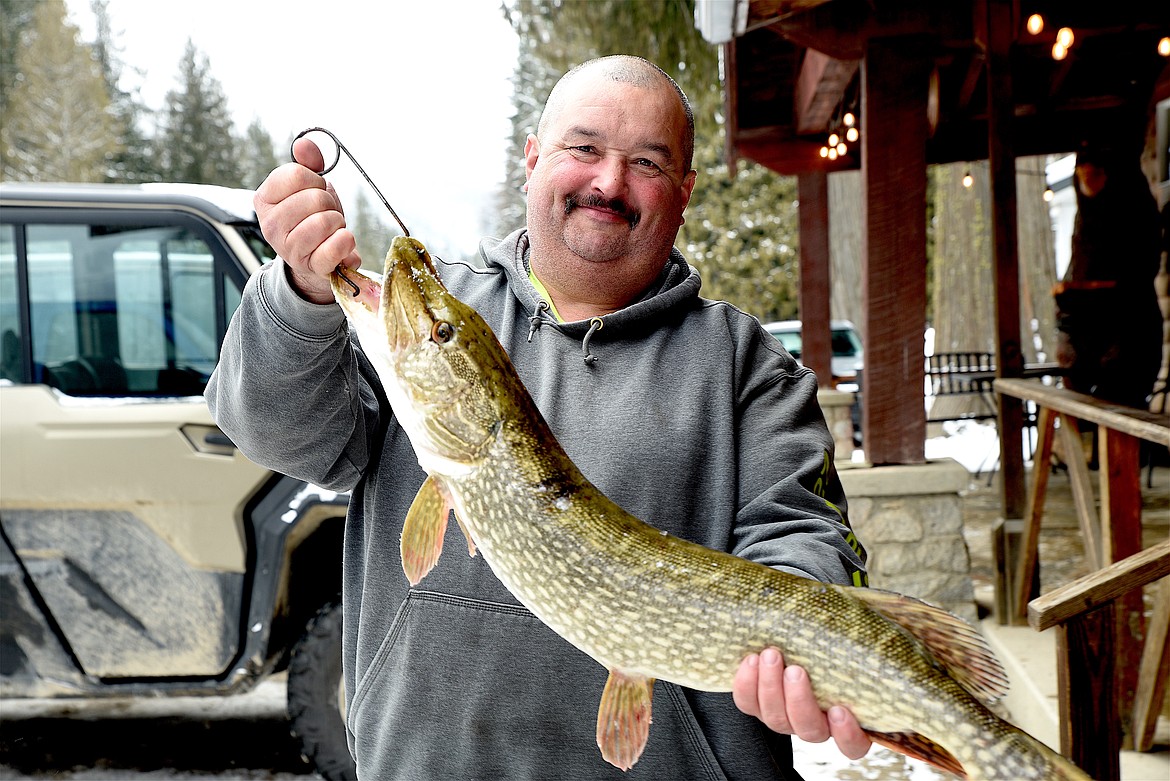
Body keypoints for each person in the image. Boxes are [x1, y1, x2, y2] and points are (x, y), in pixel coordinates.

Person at [207, 55, 871, 779]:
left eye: (645, 162)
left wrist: (802, 638)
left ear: (683, 193)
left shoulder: (748, 366)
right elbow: (271, 426)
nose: (608, 182)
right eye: (583, 148)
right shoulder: (443, 326)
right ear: (533, 161)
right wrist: (300, 290)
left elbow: (801, 533)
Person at [1053, 140, 1163, 411]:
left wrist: (1093, 290)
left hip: (1128, 338)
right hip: (1085, 345)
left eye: (1094, 175)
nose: (1087, 182)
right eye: (1082, 175)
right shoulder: (1085, 223)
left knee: (1121, 410)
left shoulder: (1134, 211)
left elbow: (1138, 276)